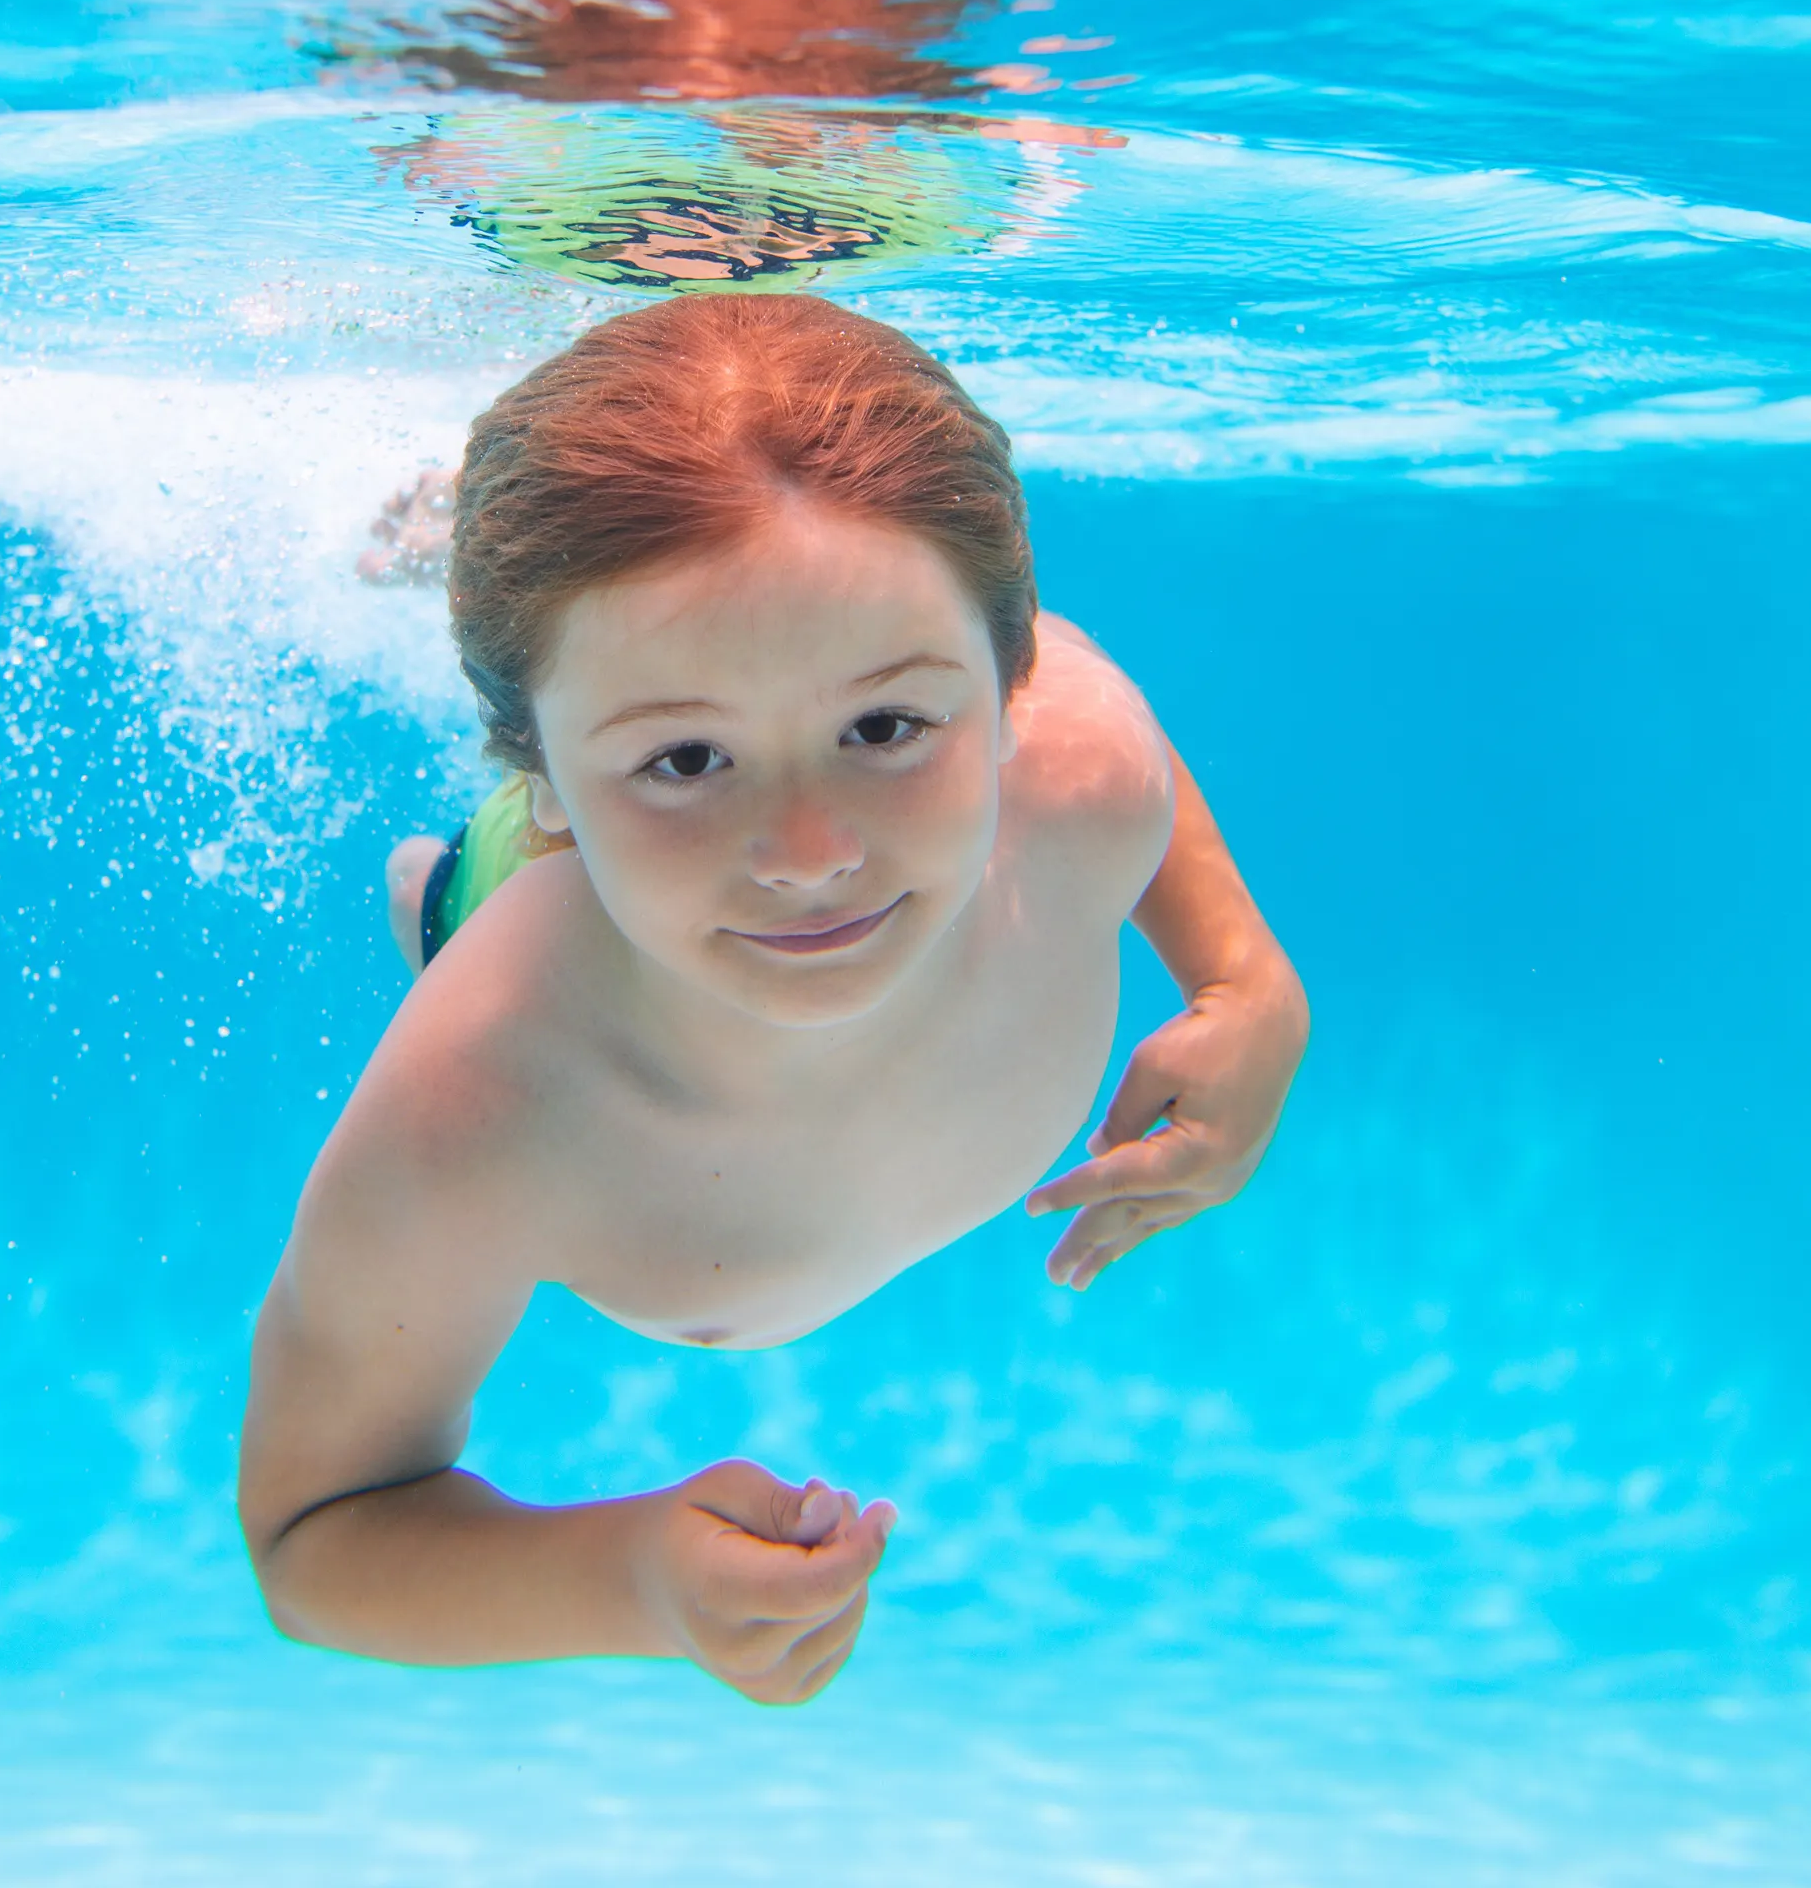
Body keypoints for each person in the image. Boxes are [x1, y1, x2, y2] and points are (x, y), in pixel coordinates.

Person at [239, 294, 1307, 1704]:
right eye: (685, 758)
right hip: (541, 899)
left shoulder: (1077, 772)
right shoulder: (480, 1105)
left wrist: (1248, 983)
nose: (811, 855)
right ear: (548, 767)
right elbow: (313, 1534)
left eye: (884, 726)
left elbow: (1123, 741)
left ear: (1006, 689)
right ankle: (458, 857)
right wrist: (624, 1580)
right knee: (451, 897)